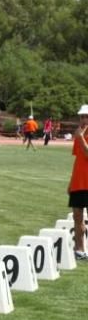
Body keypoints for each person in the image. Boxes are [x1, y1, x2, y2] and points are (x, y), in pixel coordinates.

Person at [69, 106, 88, 260]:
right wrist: (71, 182)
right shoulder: (78, 135)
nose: (83, 120)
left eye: (86, 116)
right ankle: (79, 250)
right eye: (81, 117)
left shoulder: (79, 135)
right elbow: (78, 159)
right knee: (77, 217)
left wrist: (80, 137)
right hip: (78, 182)